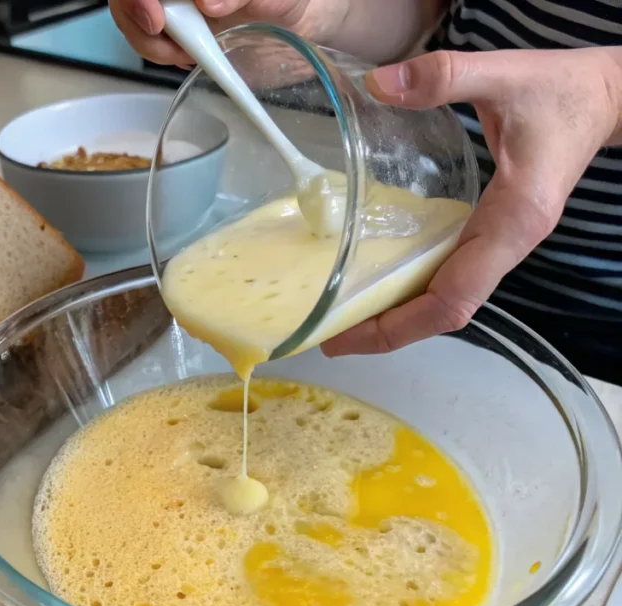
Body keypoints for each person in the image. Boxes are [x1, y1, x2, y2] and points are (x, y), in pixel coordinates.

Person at [109, 0, 622, 385]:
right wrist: (319, 12)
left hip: (603, 319)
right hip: (421, 246)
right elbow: (426, 10)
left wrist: (608, 91)